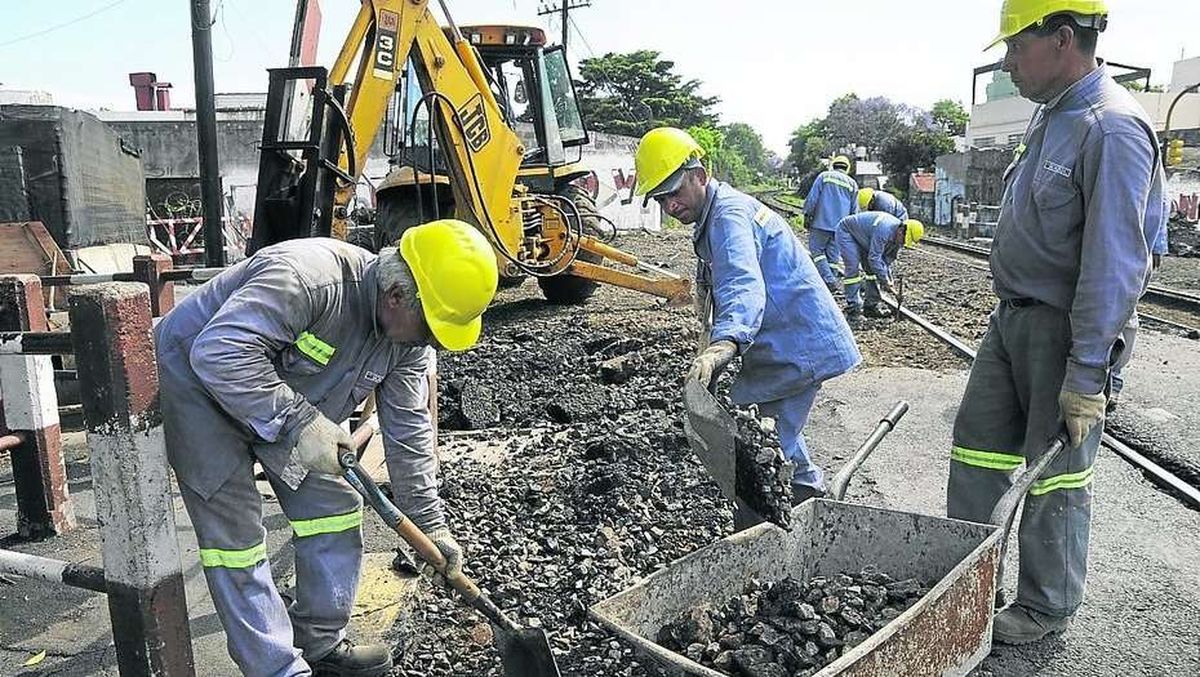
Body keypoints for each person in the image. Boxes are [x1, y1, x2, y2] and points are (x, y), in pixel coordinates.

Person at [155, 220, 499, 676]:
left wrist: (431, 528)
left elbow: (409, 435)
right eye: (432, 326)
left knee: (333, 506)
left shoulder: (406, 341)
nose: (433, 340)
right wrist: (299, 421)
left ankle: (318, 644)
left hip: (284, 400)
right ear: (397, 296)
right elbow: (220, 352)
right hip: (198, 387)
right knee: (234, 539)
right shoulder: (310, 278)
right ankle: (277, 668)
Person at [947, 0, 1166, 645]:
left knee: (1056, 475)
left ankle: (1045, 608)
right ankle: (965, 588)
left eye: (1015, 47)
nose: (1008, 62)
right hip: (1011, 320)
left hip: (1064, 331)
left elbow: (1115, 261)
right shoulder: (1053, 119)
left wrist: (1088, 370)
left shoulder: (1113, 128)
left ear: (1062, 38)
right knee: (976, 451)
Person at [634, 127, 861, 503]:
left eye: (674, 193)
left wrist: (725, 343)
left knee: (754, 450)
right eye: (660, 199)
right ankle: (812, 500)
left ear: (700, 176)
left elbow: (742, 282)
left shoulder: (728, 217)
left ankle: (764, 530)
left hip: (797, 346)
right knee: (764, 425)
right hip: (784, 342)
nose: (669, 207)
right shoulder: (714, 215)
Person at [1107, 197, 1169, 412]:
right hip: (1128, 248)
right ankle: (1111, 382)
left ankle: (1112, 381)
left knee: (1122, 314)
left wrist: (1158, 244)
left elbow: (1157, 206)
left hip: (1133, 250)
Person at [835, 211, 924, 322]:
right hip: (848, 233)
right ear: (901, 231)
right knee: (853, 268)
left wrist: (888, 280)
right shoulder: (884, 231)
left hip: (865, 237)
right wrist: (884, 280)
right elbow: (874, 258)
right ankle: (854, 310)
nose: (903, 244)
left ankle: (871, 307)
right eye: (904, 240)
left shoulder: (898, 238)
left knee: (871, 271)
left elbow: (887, 260)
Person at [803, 155, 859, 291]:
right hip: (840, 227)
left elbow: (812, 199)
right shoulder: (852, 184)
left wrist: (807, 215)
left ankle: (829, 280)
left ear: (834, 165)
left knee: (816, 251)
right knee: (833, 257)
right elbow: (854, 210)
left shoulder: (824, 176)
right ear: (847, 168)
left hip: (820, 223)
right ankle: (830, 280)